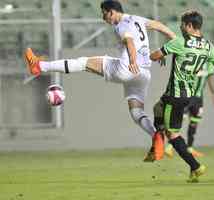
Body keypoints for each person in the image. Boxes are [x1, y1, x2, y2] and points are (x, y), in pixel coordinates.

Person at [24, 0, 176, 161]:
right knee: (136, 111)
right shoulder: (137, 19)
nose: (103, 17)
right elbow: (159, 25)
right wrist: (174, 39)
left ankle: (39, 66)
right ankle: (157, 138)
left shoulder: (121, 25)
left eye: (104, 13)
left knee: (83, 63)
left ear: (112, 12)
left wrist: (132, 61)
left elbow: (130, 42)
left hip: (126, 69)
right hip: (144, 73)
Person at [148, 10, 214, 182]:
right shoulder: (208, 46)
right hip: (188, 94)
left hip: (176, 95)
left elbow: (154, 55)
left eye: (181, 24)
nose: (180, 27)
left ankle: (195, 166)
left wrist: (159, 55)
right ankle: (158, 141)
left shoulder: (179, 42)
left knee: (173, 135)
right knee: (157, 107)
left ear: (188, 25)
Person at [164, 63, 214, 158]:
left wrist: (213, 93)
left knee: (195, 121)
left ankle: (190, 148)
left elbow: (210, 76)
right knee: (180, 119)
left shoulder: (209, 62)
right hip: (187, 95)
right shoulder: (192, 57)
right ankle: (170, 146)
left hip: (198, 98)